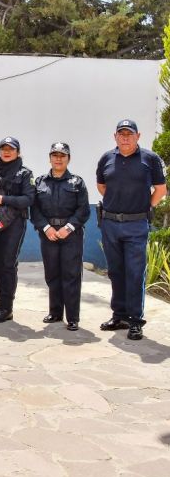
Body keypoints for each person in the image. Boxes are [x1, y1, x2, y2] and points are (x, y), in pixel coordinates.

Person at [97, 119, 166, 340]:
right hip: (110, 224)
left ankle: (135, 321)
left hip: (136, 224)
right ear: (115, 136)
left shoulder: (150, 159)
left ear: (138, 136)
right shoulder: (106, 158)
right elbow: (102, 186)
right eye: (121, 133)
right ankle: (119, 315)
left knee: (135, 273)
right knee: (116, 272)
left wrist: (145, 207)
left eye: (130, 134)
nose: (125, 137)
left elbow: (161, 189)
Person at [31, 142, 90, 331]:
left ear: (68, 159)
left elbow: (84, 210)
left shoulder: (77, 182)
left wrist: (69, 227)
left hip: (71, 235)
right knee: (52, 274)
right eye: (55, 155)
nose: (58, 158)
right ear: (50, 158)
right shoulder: (40, 182)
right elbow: (35, 210)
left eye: (62, 155)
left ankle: (72, 317)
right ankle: (55, 312)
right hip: (48, 235)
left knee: (71, 275)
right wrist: (46, 228)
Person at [0, 137, 36, 323]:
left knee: (7, 263)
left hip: (14, 224)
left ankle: (7, 308)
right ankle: (0, 304)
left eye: (11, 149)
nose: (7, 152)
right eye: (3, 148)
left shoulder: (24, 174)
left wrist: (4, 200)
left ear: (18, 152)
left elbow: (29, 199)